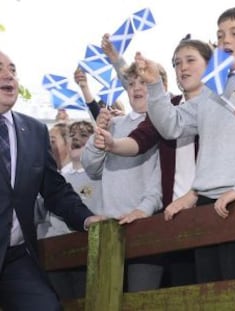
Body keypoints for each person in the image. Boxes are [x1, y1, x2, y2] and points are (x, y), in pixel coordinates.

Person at [135, 6, 235, 283]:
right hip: (207, 204)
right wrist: (154, 88)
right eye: (220, 36)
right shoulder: (212, 88)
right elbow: (172, 126)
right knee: (210, 293)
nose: (225, 41)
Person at [95, 37, 214, 286]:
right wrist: (113, 144)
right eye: (177, 63)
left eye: (190, 60)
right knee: (181, 292)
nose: (183, 67)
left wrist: (194, 195)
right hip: (172, 215)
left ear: (210, 65)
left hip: (211, 207)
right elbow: (142, 136)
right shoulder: (167, 107)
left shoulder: (218, 104)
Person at [0, 50, 103, 310]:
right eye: (0, 69)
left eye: (12, 69)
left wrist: (86, 218)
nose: (8, 75)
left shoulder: (34, 130)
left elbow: (54, 189)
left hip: (17, 258)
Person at [81, 61, 164, 292]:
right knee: (104, 299)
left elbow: (161, 176)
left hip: (145, 224)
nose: (136, 88)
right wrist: (98, 137)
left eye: (144, 82)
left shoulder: (163, 123)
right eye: (131, 83)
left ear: (159, 85)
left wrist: (144, 209)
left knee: (142, 298)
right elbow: (92, 169)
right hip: (108, 227)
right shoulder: (114, 124)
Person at [38, 120, 102, 300]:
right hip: (52, 251)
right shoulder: (58, 177)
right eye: (71, 134)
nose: (76, 138)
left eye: (84, 135)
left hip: (84, 250)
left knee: (84, 300)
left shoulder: (100, 175)